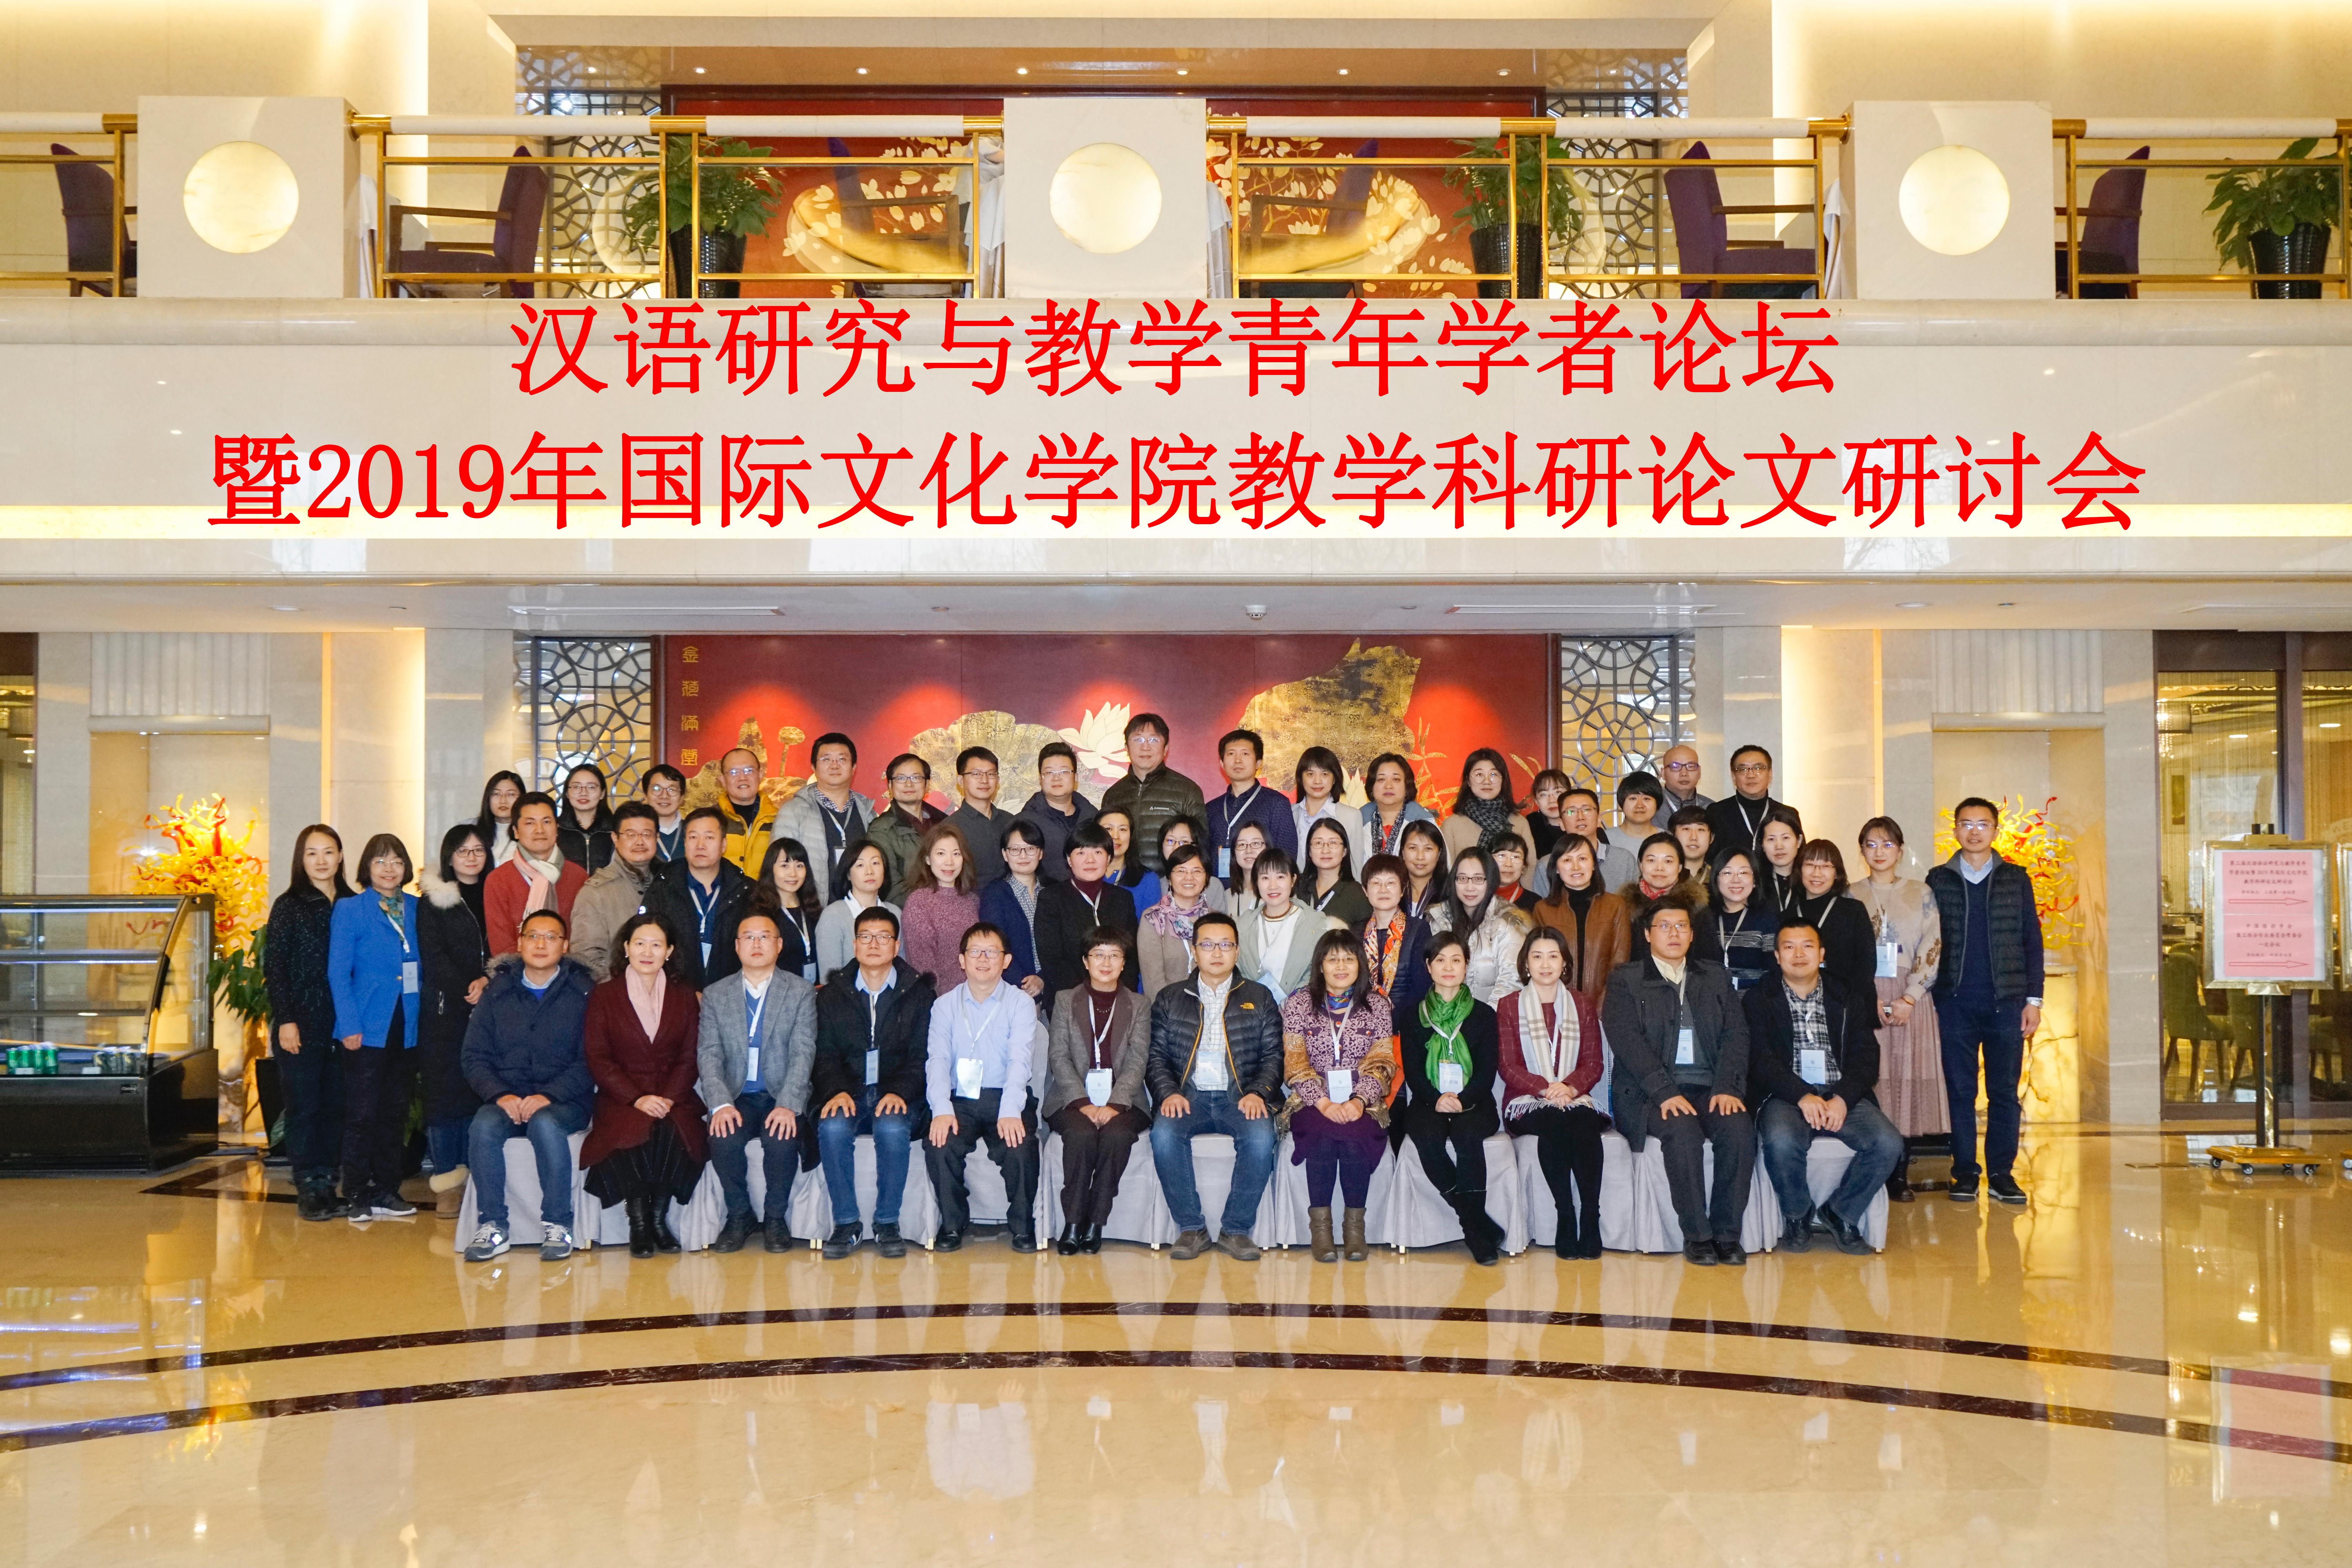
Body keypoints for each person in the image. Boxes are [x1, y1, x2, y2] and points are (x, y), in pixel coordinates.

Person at [1602, 895, 1755, 1266]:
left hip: (1710, 1087)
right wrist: (1664, 1091)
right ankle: (1697, 1235)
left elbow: (1736, 1034)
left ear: (1691, 934)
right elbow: (1626, 1041)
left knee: (1738, 1128)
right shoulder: (1626, 980)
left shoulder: (1714, 976)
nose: (1674, 933)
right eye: (1664, 926)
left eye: (1681, 926)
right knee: (1682, 1131)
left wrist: (1727, 1087)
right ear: (1647, 934)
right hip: (1649, 1094)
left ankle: (1727, 1234)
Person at [1746, 922, 1902, 1255]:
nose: (1798, 954)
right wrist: (1801, 1095)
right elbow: (1759, 1060)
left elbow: (1866, 1058)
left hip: (1839, 1092)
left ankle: (1841, 1213)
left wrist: (1843, 1098)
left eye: (1807, 946)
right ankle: (1797, 1215)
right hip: (1786, 1095)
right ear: (1777, 956)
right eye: (1789, 947)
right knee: (1781, 1141)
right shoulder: (1759, 998)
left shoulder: (1846, 996)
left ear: (1821, 954)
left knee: (1888, 1143)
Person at [459, 909, 598, 1262]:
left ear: (565, 946)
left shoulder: (584, 993)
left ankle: (558, 1224)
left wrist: (548, 1096)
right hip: (506, 1097)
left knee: (545, 1124)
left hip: (564, 1101)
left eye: (551, 937)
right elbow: (474, 1056)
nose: (541, 944)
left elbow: (592, 1059)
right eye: (533, 936)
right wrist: (500, 1094)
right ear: (519, 943)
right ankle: (493, 1225)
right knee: (483, 1126)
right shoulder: (497, 992)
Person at [1925, 797, 2043, 1208]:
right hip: (1954, 1002)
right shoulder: (1938, 879)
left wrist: (2033, 999)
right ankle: (1964, 1171)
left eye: (1982, 824)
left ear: (1995, 830)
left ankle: (2001, 1174)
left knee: (2003, 1092)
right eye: (1966, 823)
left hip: (2006, 1003)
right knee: (1960, 1091)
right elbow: (1928, 941)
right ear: (1955, 830)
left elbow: (2031, 939)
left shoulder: (2016, 878)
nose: (1973, 831)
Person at [1145, 911, 1283, 1262]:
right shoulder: (1170, 997)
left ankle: (1235, 1230)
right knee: (1164, 1135)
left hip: (1240, 1096)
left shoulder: (1260, 996)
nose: (1217, 953)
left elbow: (1273, 1055)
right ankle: (1192, 1228)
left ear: (1237, 951)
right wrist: (1168, 1092)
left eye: (1226, 945)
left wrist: (1258, 1092)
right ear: (1194, 951)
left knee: (1260, 1138)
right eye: (1207, 945)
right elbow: (1156, 1055)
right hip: (1187, 1096)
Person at [581, 912, 707, 1259]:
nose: (647, 952)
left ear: (669, 951)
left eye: (656, 945)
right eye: (640, 943)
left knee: (674, 1131)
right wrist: (637, 1098)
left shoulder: (685, 996)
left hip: (673, 1094)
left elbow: (691, 1056)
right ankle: (638, 1223)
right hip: (622, 1096)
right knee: (634, 1130)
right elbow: (598, 1057)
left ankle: (657, 1220)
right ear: (626, 948)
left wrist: (668, 1097)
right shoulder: (605, 995)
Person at [811, 906, 931, 1258]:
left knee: (892, 1127)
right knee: (832, 1127)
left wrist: (900, 1091)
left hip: (900, 1092)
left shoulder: (919, 994)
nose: (874, 944)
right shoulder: (832, 994)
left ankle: (887, 1222)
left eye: (883, 937)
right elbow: (824, 1054)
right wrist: (835, 1091)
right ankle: (847, 1223)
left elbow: (923, 1056)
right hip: (848, 1090)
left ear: (896, 946)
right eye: (865, 937)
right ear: (854, 945)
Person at [698, 909, 819, 1252]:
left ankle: (776, 1217)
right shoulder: (716, 994)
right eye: (748, 937)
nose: (756, 944)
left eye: (764, 937)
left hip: (780, 1092)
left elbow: (803, 1052)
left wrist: (788, 1105)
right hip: (737, 1095)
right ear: (736, 946)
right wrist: (720, 1103)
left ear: (779, 945)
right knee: (723, 1137)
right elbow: (709, 1053)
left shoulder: (800, 991)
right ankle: (740, 1215)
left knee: (781, 1138)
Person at [1280, 931, 1397, 1264]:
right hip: (1311, 1100)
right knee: (1323, 1135)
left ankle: (1354, 1231)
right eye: (1332, 959)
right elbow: (1295, 1063)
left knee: (1353, 1136)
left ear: (1360, 965)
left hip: (1365, 1101)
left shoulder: (1377, 1005)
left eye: (1348, 959)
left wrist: (1358, 1101)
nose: (1341, 966)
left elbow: (1382, 1061)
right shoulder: (1299, 1004)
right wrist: (1324, 1103)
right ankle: (1321, 1232)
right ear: (1320, 966)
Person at [924, 923, 1041, 1252]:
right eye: (975, 952)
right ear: (962, 960)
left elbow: (1020, 1061)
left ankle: (1022, 1227)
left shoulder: (1020, 1004)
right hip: (959, 1100)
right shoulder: (944, 1005)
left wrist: (1010, 1111)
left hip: (1005, 1096)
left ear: (1006, 961)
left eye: (992, 952)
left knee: (1020, 1146)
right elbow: (937, 1060)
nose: (983, 959)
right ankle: (953, 1224)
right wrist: (941, 1109)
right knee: (939, 1144)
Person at [1497, 926, 1609, 1260]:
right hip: (1526, 1102)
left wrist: (1569, 1088)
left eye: (1553, 956)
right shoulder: (1509, 1006)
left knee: (1583, 1123)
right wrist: (1546, 1090)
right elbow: (1508, 1066)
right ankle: (1565, 1215)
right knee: (1556, 1122)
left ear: (1565, 964)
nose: (1545, 965)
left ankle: (1590, 1216)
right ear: (1526, 964)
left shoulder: (1582, 1004)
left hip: (1575, 1096)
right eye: (1537, 957)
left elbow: (1593, 1063)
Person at [330, 833, 423, 1224]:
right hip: (366, 1023)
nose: (390, 869)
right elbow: (338, 972)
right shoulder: (350, 909)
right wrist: (349, 1024)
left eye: (397, 861)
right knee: (362, 1113)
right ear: (367, 867)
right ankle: (355, 1191)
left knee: (395, 1112)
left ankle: (387, 1189)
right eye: (381, 861)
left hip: (408, 1023)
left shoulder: (418, 908)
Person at [1397, 931, 1505, 1265]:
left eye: (1456, 960)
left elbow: (1487, 1071)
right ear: (1428, 966)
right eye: (1440, 960)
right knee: (1426, 1136)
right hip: (1428, 1100)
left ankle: (1474, 1233)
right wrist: (1436, 1098)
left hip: (1475, 1100)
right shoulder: (1413, 1014)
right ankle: (1476, 1224)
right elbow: (1413, 1072)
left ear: (1466, 966)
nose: (1448, 967)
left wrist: (1462, 1098)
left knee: (1467, 1135)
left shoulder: (1484, 1015)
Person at [1851, 816, 1945, 1200]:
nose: (1880, 852)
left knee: (1905, 1080)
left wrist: (1910, 996)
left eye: (1887, 845)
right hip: (1865, 995)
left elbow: (1932, 944)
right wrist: (1864, 996)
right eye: (1871, 844)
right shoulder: (1850, 894)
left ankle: (1900, 1172)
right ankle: (1874, 1163)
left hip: (1910, 996)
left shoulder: (1921, 892)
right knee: (1875, 1078)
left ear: (1900, 851)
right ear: (1862, 851)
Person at [1043, 927, 1152, 1254]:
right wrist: (1082, 1102)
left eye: (1114, 956)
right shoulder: (1065, 1000)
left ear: (1124, 963)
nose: (1106, 963)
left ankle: (1096, 1222)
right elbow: (1058, 1056)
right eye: (1099, 955)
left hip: (1125, 1100)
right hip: (1071, 1099)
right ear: (1085, 961)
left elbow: (1137, 1060)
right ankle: (1073, 1222)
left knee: (1116, 1136)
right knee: (1080, 1135)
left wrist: (1115, 1104)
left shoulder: (1139, 1005)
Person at [264, 824, 354, 1220]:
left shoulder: (353, 903)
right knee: (304, 1107)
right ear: (301, 859)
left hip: (344, 1023)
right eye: (312, 853)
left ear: (340, 856)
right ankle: (309, 1187)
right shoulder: (290, 904)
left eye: (328, 851)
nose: (321, 860)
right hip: (300, 1023)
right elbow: (275, 967)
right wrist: (286, 1020)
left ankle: (328, 1184)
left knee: (336, 1106)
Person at [417, 823, 491, 1220]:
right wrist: (469, 984)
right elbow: (433, 956)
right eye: (463, 850)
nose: (471, 857)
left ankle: (477, 1180)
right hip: (446, 1011)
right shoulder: (434, 900)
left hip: (489, 1009)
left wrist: (489, 979)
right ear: (449, 856)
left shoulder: (496, 890)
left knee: (478, 1093)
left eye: (478, 849)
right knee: (445, 1096)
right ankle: (448, 1182)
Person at [644, 806, 757, 990]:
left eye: (709, 838)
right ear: (685, 843)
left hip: (733, 994)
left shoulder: (747, 891)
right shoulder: (662, 888)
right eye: (693, 837)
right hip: (674, 994)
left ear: (724, 845)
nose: (700, 845)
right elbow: (649, 947)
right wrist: (683, 993)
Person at [1036, 823, 1140, 1009]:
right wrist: (1088, 999)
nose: (1090, 860)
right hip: (1070, 1002)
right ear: (1069, 859)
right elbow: (1051, 960)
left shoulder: (1123, 898)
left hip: (1119, 1001)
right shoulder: (1051, 898)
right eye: (1081, 853)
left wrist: (1120, 995)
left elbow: (1131, 956)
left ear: (1109, 858)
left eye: (1098, 852)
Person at [1529, 834, 1630, 1010]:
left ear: (1594, 864)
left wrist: (1604, 1005)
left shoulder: (1616, 906)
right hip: (1556, 1006)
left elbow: (1619, 962)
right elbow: (1539, 963)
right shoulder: (1543, 909)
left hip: (1605, 1006)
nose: (1576, 867)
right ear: (1557, 868)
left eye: (1583, 859)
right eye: (1567, 860)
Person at [1099, 712, 1204, 876]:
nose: (1146, 747)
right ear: (1126, 748)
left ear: (1166, 748)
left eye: (1154, 740)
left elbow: (1201, 848)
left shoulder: (1188, 791)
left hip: (1171, 883)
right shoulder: (1113, 794)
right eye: (1138, 740)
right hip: (1121, 882)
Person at [483, 793, 585, 956]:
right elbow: (501, 946)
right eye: (530, 823)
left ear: (557, 829)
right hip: (516, 970)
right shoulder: (498, 880)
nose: (540, 830)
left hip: (570, 969)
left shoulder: (579, 877)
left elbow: (584, 938)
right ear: (516, 831)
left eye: (547, 822)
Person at [569, 801, 662, 981]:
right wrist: (622, 991)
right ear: (615, 839)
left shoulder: (670, 883)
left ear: (657, 837)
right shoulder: (595, 893)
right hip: (617, 992)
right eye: (631, 835)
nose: (640, 842)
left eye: (647, 834)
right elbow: (587, 959)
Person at [1427, 847, 1531, 1006]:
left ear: (1491, 881)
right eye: (1462, 878)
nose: (1470, 887)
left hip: (1492, 1013)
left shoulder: (1508, 921)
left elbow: (1512, 980)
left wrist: (1483, 1016)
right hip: (1443, 1013)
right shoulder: (1437, 919)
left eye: (1478, 879)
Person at [1238, 847, 1344, 1002]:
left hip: (1301, 1010)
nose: (1273, 886)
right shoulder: (1242, 927)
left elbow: (1316, 974)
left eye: (1280, 877)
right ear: (1256, 882)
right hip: (1253, 1009)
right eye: (1265, 878)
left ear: (1293, 880)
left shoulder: (1316, 925)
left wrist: (1292, 1004)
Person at [772, 732, 872, 893]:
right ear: (814, 768)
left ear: (854, 767)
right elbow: (779, 867)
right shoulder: (793, 812)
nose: (835, 766)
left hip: (861, 905)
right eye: (826, 759)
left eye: (842, 759)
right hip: (812, 905)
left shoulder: (867, 812)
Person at [1205, 728, 1298, 883]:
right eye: (1231, 754)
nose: (1238, 760)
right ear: (1222, 763)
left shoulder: (1277, 804)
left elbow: (1286, 856)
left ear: (1258, 763)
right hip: (1219, 893)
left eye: (1245, 754)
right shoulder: (1212, 808)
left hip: (1261, 891)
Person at [1790, 840, 1878, 1001]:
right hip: (1798, 1003)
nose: (1817, 873)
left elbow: (1866, 966)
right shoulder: (1787, 917)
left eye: (1825, 866)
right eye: (1810, 865)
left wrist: (1849, 1004)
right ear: (1800, 870)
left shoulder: (1854, 911)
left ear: (1837, 873)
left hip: (1847, 1003)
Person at [899, 821, 981, 994]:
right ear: (928, 859)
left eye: (956, 854)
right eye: (941, 854)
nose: (950, 862)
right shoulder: (919, 903)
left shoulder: (973, 901)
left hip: (978, 994)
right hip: (940, 1000)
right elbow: (923, 968)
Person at [977, 819, 1049, 1001]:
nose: (1023, 856)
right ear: (1005, 854)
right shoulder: (995, 894)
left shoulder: (1054, 892)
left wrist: (1043, 979)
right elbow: (995, 946)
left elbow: (1062, 944)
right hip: (1011, 993)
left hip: (1053, 989)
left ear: (1041, 853)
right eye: (1015, 850)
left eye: (1031, 849)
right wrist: (1025, 984)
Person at [1357, 854, 1432, 1024]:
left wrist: (1392, 1019)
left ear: (1403, 889)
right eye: (1376, 883)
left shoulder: (1419, 930)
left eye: (1391, 883)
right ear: (1365, 891)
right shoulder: (1356, 932)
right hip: (1363, 1022)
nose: (1383, 890)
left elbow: (1421, 986)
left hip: (1407, 1022)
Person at [1440, 749, 1537, 877]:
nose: (1487, 781)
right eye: (1479, 775)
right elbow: (1447, 873)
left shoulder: (1520, 823)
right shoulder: (1452, 825)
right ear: (1468, 781)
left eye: (1493, 774)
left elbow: (1530, 869)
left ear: (1503, 780)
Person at [1137, 844, 1218, 997]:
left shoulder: (1217, 920)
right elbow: (1153, 982)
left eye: (1197, 871)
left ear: (1207, 878)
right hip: (1167, 1008)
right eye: (1181, 871)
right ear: (1169, 878)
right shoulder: (1153, 919)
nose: (1189, 877)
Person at [1627, 832, 1720, 963]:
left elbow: (1710, 962)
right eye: (1652, 861)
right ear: (1641, 864)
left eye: (1668, 861)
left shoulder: (1697, 908)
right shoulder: (1624, 907)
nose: (1660, 868)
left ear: (1680, 867)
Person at [814, 837, 900, 977]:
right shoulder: (833, 916)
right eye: (860, 865)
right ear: (848, 874)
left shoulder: (895, 913)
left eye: (876, 863)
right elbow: (830, 978)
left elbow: (902, 970)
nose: (870, 871)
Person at [1705, 745, 1801, 863]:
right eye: (1743, 769)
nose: (1751, 775)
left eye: (1758, 768)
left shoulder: (1788, 814)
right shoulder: (1716, 813)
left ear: (1770, 775)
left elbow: (1800, 859)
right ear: (1734, 777)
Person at [1017, 741, 1098, 880]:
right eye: (1049, 773)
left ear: (1076, 778)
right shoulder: (1024, 823)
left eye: (1064, 772)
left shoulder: (1094, 819)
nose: (1056, 778)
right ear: (1040, 779)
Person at [1700, 849, 1778, 993]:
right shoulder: (1704, 919)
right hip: (1711, 1003)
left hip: (1755, 1003)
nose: (1736, 880)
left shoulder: (1768, 921)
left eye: (1744, 873)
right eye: (1727, 873)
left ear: (1755, 881)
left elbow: (1773, 975)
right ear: (1716, 880)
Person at [755, 836, 825, 985]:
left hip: (815, 991)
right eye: (785, 866)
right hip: (779, 992)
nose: (793, 874)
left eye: (799, 866)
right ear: (771, 869)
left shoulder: (814, 910)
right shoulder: (760, 913)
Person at [869, 752, 941, 894]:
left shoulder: (944, 823)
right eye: (901, 778)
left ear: (927, 785)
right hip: (908, 906)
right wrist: (929, 904)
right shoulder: (881, 830)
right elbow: (890, 886)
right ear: (890, 785)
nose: (909, 784)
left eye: (916, 778)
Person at [946, 746, 1013, 889]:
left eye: (991, 774)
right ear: (961, 781)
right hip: (970, 900)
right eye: (976, 774)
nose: (985, 780)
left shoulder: (1011, 822)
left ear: (998, 780)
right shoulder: (949, 829)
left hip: (1011, 900)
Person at [713, 746, 782, 880]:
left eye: (749, 771)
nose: (742, 778)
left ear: (760, 775)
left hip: (765, 894)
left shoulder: (779, 820)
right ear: (722, 780)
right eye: (734, 772)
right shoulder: (710, 819)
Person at [1291, 745, 1366, 866]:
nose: (1317, 781)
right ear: (1301, 778)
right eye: (1310, 774)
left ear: (1335, 779)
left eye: (1325, 774)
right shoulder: (1289, 814)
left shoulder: (1351, 817)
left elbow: (1356, 865)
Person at [1359, 752, 1436, 861]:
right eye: (1381, 779)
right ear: (1372, 787)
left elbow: (1443, 865)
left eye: (1396, 780)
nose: (1388, 786)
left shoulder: (1426, 824)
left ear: (1407, 787)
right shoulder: (1357, 823)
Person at [1131, 814, 1210, 916]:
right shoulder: (1155, 884)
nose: (1176, 847)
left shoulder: (1214, 886)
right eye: (1170, 841)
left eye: (1184, 842)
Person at [1301, 817, 1372, 927]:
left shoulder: (1358, 895)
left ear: (1345, 851)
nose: (1325, 850)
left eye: (1333, 843)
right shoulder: (1298, 888)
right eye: (1318, 843)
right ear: (1309, 851)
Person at [1561, 788, 1636, 890]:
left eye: (1587, 810)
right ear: (1561, 823)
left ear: (1599, 818)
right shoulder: (1547, 865)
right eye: (1571, 812)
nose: (1580, 817)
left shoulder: (1624, 859)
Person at [555, 762, 617, 875]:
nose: (584, 793)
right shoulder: (555, 830)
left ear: (603, 794)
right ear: (567, 793)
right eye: (577, 787)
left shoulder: (616, 830)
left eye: (591, 787)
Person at [1605, 771, 1665, 866]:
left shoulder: (1668, 840)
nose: (1640, 805)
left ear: (1657, 804)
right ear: (1622, 803)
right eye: (1633, 799)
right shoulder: (1604, 840)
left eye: (1647, 799)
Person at [1397, 819, 1450, 923]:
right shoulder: (1392, 890)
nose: (1420, 857)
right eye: (1413, 848)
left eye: (1428, 849)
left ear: (1439, 854)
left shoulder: (1451, 892)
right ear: (1403, 852)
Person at [1755, 809, 1806, 916]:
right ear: (1762, 845)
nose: (1779, 846)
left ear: (1799, 841)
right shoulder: (1754, 883)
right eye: (1771, 839)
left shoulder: (1810, 881)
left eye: (1786, 838)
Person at [1217, 819, 1266, 920]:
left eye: (1256, 844)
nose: (1249, 851)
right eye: (1242, 845)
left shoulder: (1278, 892)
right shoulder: (1228, 896)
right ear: (1234, 853)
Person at [475, 770, 524, 865]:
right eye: (497, 794)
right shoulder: (474, 832)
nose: (503, 801)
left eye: (511, 794)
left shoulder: (529, 834)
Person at [640, 762, 687, 861]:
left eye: (672, 790)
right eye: (657, 789)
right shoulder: (635, 834)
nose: (664, 796)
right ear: (645, 795)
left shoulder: (693, 833)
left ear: (682, 797)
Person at [1524, 768, 1572, 862]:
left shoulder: (1583, 822)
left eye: (1558, 792)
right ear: (1537, 802)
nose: (1552, 800)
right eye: (1544, 795)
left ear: (1570, 795)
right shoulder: (1530, 827)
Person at [1486, 833, 1538, 913]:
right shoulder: (1475, 897)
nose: (1509, 864)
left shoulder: (1536, 903)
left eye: (1516, 857)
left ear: (1524, 866)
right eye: (1502, 856)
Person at [1659, 744, 1712, 816]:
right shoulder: (1651, 808)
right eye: (1676, 767)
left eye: (1691, 767)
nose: (1684, 774)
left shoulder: (1711, 809)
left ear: (1700, 772)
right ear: (1663, 773)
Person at [1670, 805, 1715, 880]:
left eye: (1701, 830)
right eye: (1686, 829)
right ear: (1673, 836)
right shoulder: (1663, 876)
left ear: (1712, 838)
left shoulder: (1719, 878)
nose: (1694, 838)